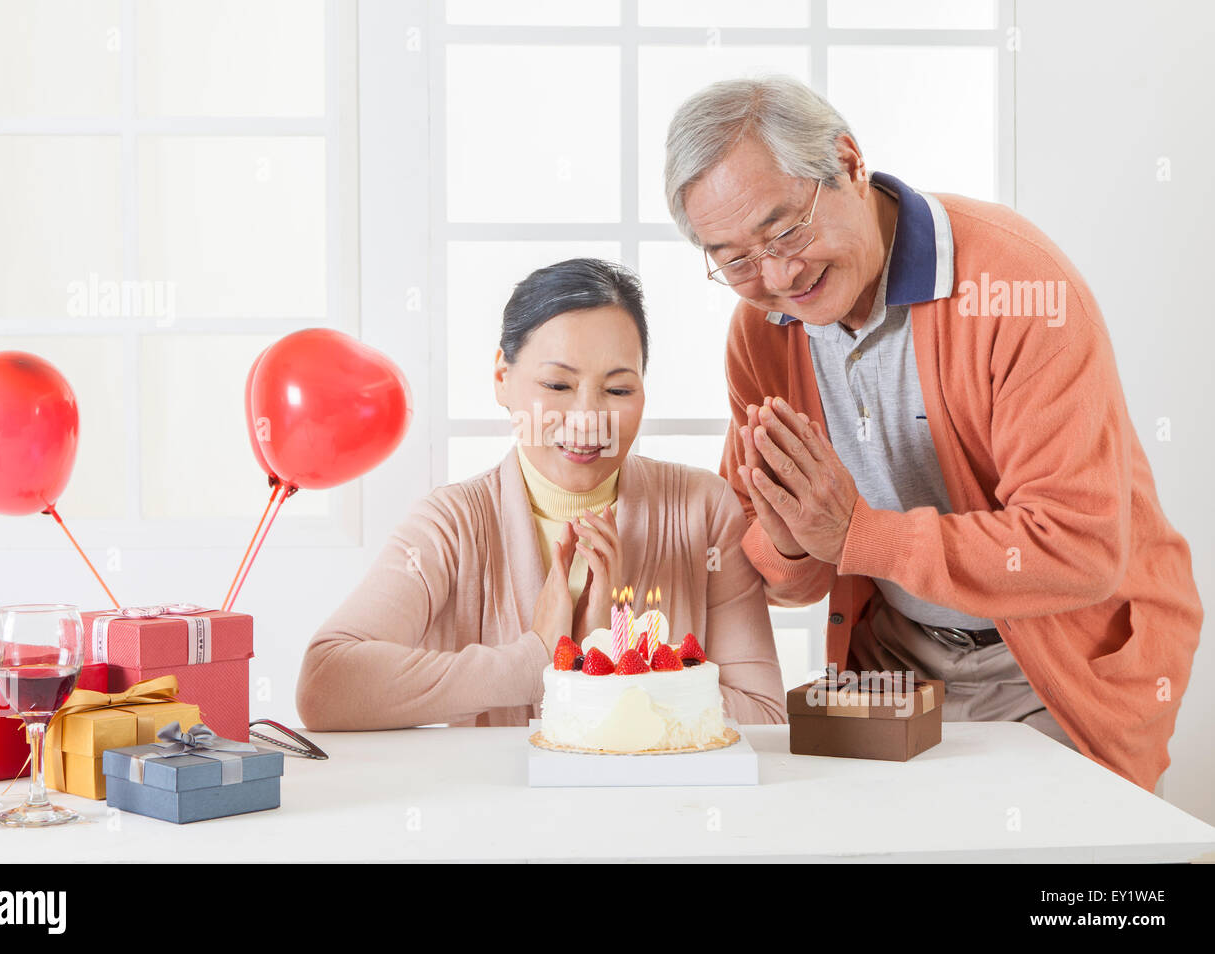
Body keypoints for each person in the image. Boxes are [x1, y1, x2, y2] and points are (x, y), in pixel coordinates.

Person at [663, 75, 1202, 792]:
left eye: (785, 229)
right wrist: (795, 532)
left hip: (1055, 663)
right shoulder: (760, 336)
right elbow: (779, 571)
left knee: (1069, 884)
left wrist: (859, 536)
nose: (777, 275)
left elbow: (1083, 547)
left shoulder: (1016, 288)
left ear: (850, 164)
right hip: (893, 668)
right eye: (733, 259)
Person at [296, 258, 785, 730]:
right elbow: (326, 684)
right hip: (500, 813)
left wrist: (607, 655)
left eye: (617, 391)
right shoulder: (452, 525)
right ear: (502, 379)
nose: (588, 419)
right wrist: (537, 656)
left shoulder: (701, 509)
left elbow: (764, 714)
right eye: (557, 384)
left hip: (662, 812)